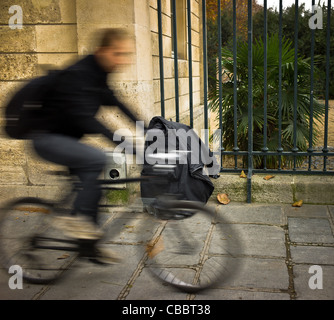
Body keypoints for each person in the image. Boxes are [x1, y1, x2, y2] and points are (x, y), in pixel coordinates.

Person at [31, 28, 141, 262]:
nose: (123, 61)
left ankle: (88, 247)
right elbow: (87, 121)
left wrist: (147, 128)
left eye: (126, 54)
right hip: (46, 139)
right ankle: (76, 223)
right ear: (101, 51)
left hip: (68, 141)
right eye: (118, 53)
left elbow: (116, 103)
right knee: (97, 158)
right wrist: (129, 146)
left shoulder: (99, 74)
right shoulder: (79, 74)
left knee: (94, 187)